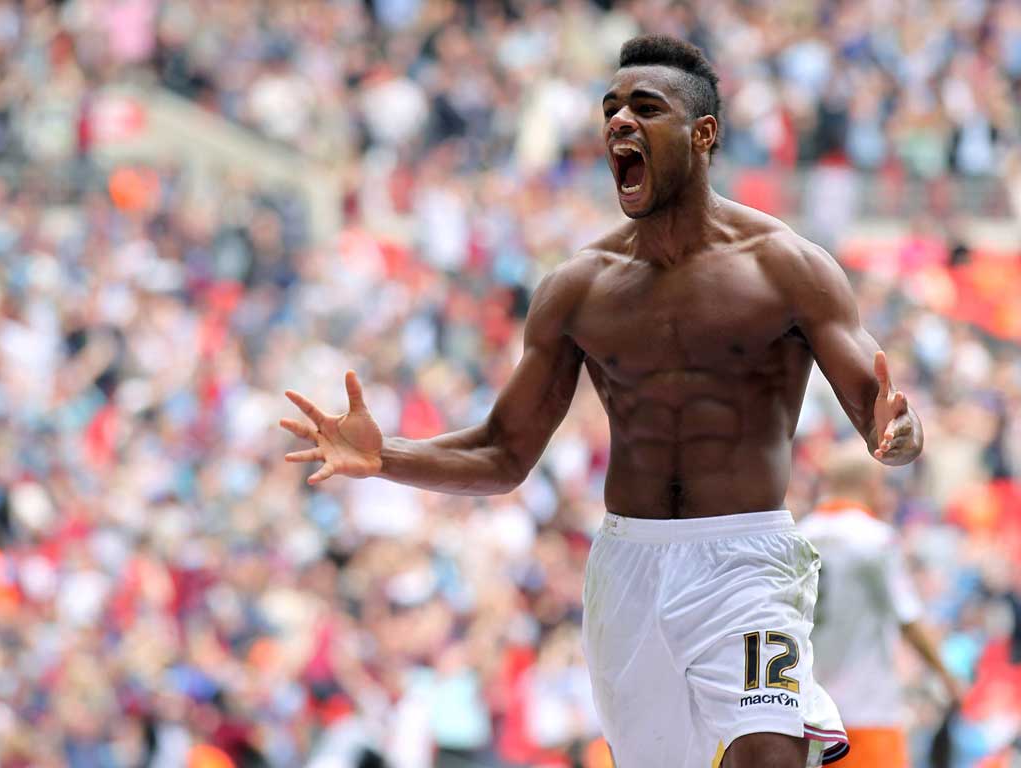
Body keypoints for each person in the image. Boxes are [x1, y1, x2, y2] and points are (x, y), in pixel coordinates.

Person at [281, 35, 924, 767]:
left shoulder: (790, 268)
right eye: (611, 108)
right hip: (630, 567)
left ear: (703, 135)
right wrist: (384, 456)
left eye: (645, 108)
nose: (620, 121)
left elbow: (882, 414)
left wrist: (898, 436)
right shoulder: (578, 288)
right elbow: (502, 453)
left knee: (769, 751)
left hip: (750, 563)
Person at [798, 443, 964, 768]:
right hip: (867, 712)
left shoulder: (799, 537)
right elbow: (909, 618)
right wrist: (947, 677)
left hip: (809, 716)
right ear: (873, 485)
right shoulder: (874, 539)